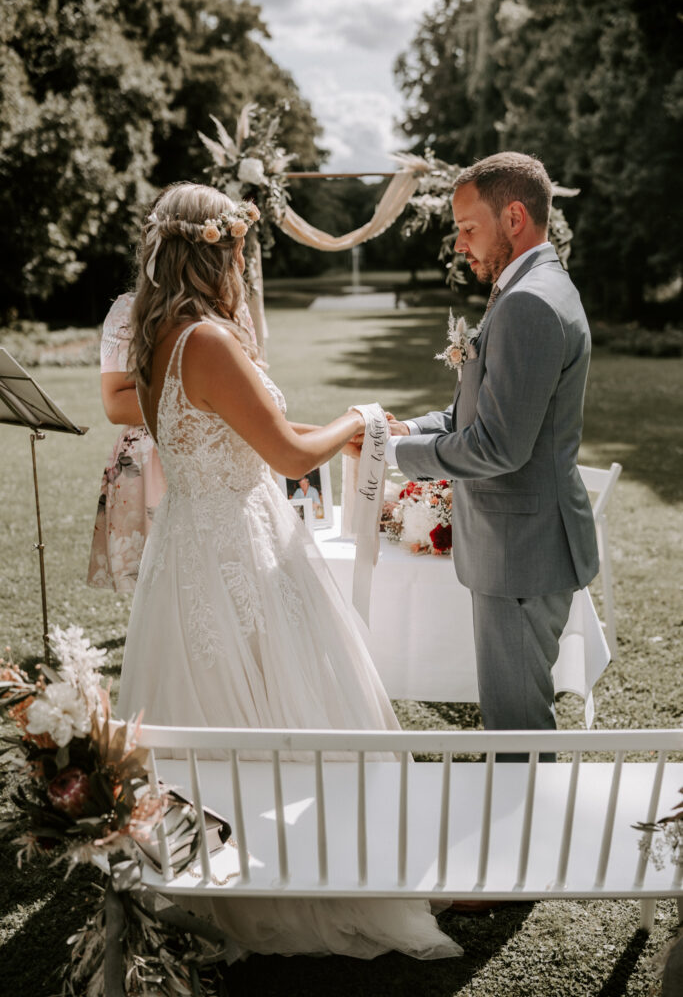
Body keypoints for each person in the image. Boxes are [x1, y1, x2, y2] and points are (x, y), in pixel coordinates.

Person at [116, 181, 461, 961]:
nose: (244, 264)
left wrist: (328, 436)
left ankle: (230, 868)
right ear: (218, 252)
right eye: (240, 250)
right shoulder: (205, 339)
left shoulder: (161, 335)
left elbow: (246, 429)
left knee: (215, 711)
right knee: (285, 708)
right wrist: (360, 418)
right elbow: (281, 455)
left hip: (192, 545)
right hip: (239, 544)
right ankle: (303, 878)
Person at [382, 152, 599, 753]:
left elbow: (498, 447)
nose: (459, 244)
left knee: (517, 734)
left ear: (515, 217)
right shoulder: (527, 288)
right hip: (519, 547)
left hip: (523, 555)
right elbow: (468, 416)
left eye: (469, 227)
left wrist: (397, 461)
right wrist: (401, 431)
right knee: (513, 723)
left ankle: (530, 840)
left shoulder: (530, 302)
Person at [86, 292, 166, 592]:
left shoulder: (231, 304)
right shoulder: (131, 310)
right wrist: (207, 400)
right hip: (154, 466)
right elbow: (117, 404)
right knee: (159, 595)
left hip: (226, 460)